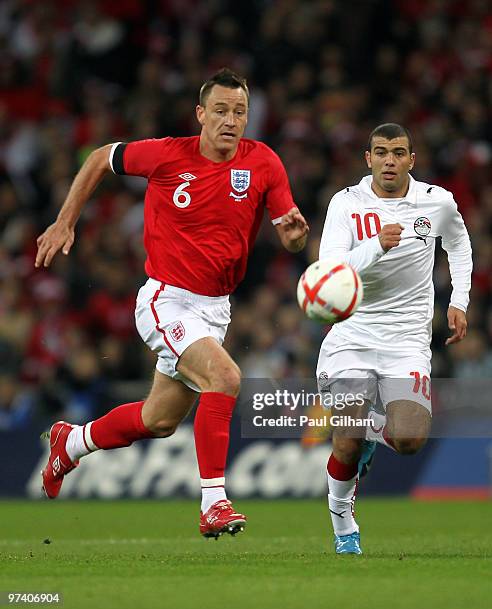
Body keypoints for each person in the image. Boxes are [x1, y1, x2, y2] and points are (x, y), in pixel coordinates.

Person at [35, 68, 309, 538]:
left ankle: (71, 442)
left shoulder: (263, 162)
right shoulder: (166, 155)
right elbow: (101, 158)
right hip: (167, 298)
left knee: (158, 420)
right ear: (201, 114)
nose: (230, 120)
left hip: (216, 308)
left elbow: (290, 233)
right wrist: (66, 221)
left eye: (239, 112)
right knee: (225, 377)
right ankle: (214, 504)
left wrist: (294, 236)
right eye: (220, 110)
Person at [316, 123, 472, 554]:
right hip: (352, 333)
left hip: (406, 340)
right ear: (368, 158)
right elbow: (329, 269)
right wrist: (374, 247)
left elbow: (459, 244)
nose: (390, 160)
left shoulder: (435, 202)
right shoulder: (346, 204)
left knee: (408, 440)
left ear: (411, 160)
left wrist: (459, 300)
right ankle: (344, 525)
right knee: (346, 434)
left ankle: (373, 435)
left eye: (398, 153)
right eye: (381, 152)